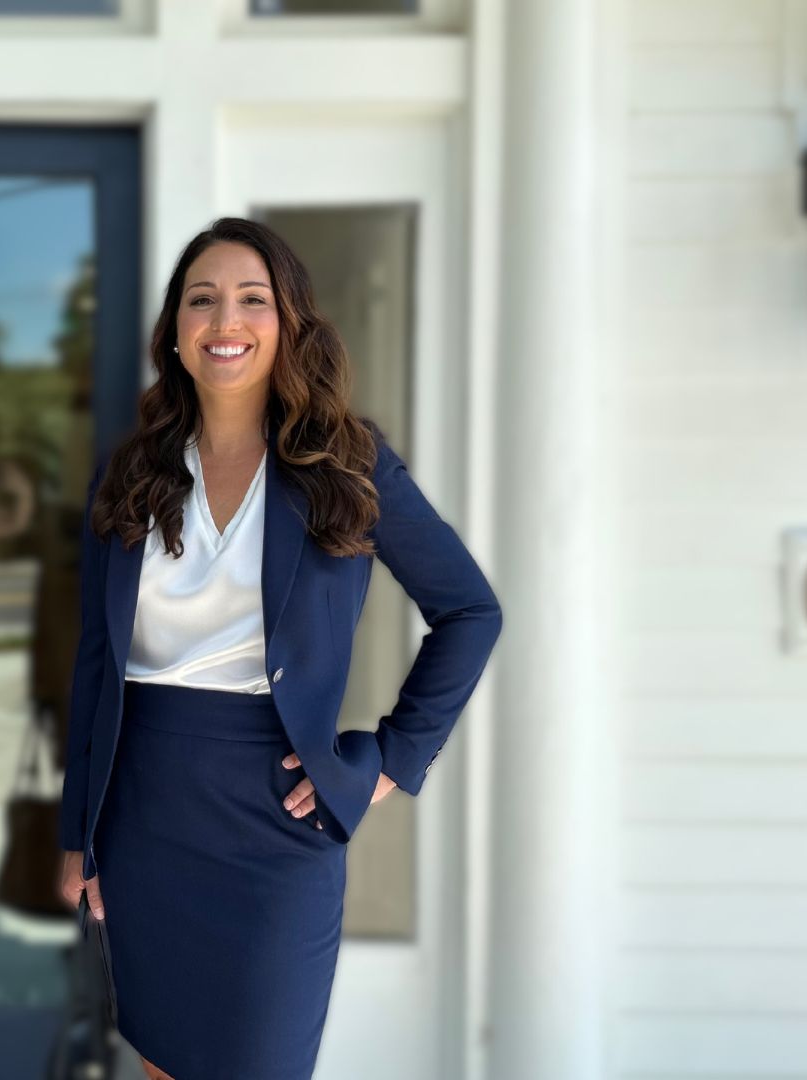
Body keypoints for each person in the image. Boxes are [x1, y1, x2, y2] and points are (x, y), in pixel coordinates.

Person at [54, 217, 501, 1080]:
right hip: (145, 815)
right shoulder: (131, 475)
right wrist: (83, 834)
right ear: (176, 335)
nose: (227, 320)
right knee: (163, 1067)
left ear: (288, 322)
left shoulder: (348, 463)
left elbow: (469, 612)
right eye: (203, 300)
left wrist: (388, 760)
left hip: (276, 824)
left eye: (252, 300)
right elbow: (94, 668)